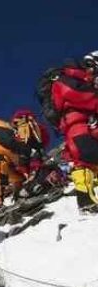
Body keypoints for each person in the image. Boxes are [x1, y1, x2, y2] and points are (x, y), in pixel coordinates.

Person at [38, 52, 98, 213]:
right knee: (86, 159)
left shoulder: (77, 80)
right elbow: (77, 95)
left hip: (80, 124)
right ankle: (87, 203)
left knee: (89, 159)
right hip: (76, 125)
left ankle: (87, 201)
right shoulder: (65, 80)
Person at [11, 109, 50, 176]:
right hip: (36, 147)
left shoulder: (18, 130)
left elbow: (17, 144)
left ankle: (33, 172)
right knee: (36, 158)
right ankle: (37, 170)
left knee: (30, 159)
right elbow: (44, 136)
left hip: (28, 150)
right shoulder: (34, 124)